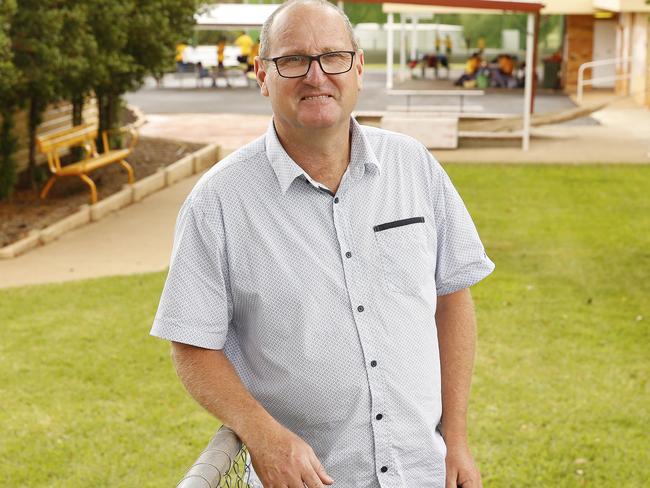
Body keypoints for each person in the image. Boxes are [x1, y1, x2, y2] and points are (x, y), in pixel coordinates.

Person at [151, 1, 494, 487]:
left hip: (423, 472)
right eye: (293, 60)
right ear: (262, 74)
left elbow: (452, 297)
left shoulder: (413, 166)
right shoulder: (218, 202)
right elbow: (190, 345)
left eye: (332, 56)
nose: (316, 76)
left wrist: (455, 441)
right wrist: (262, 435)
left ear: (358, 66)